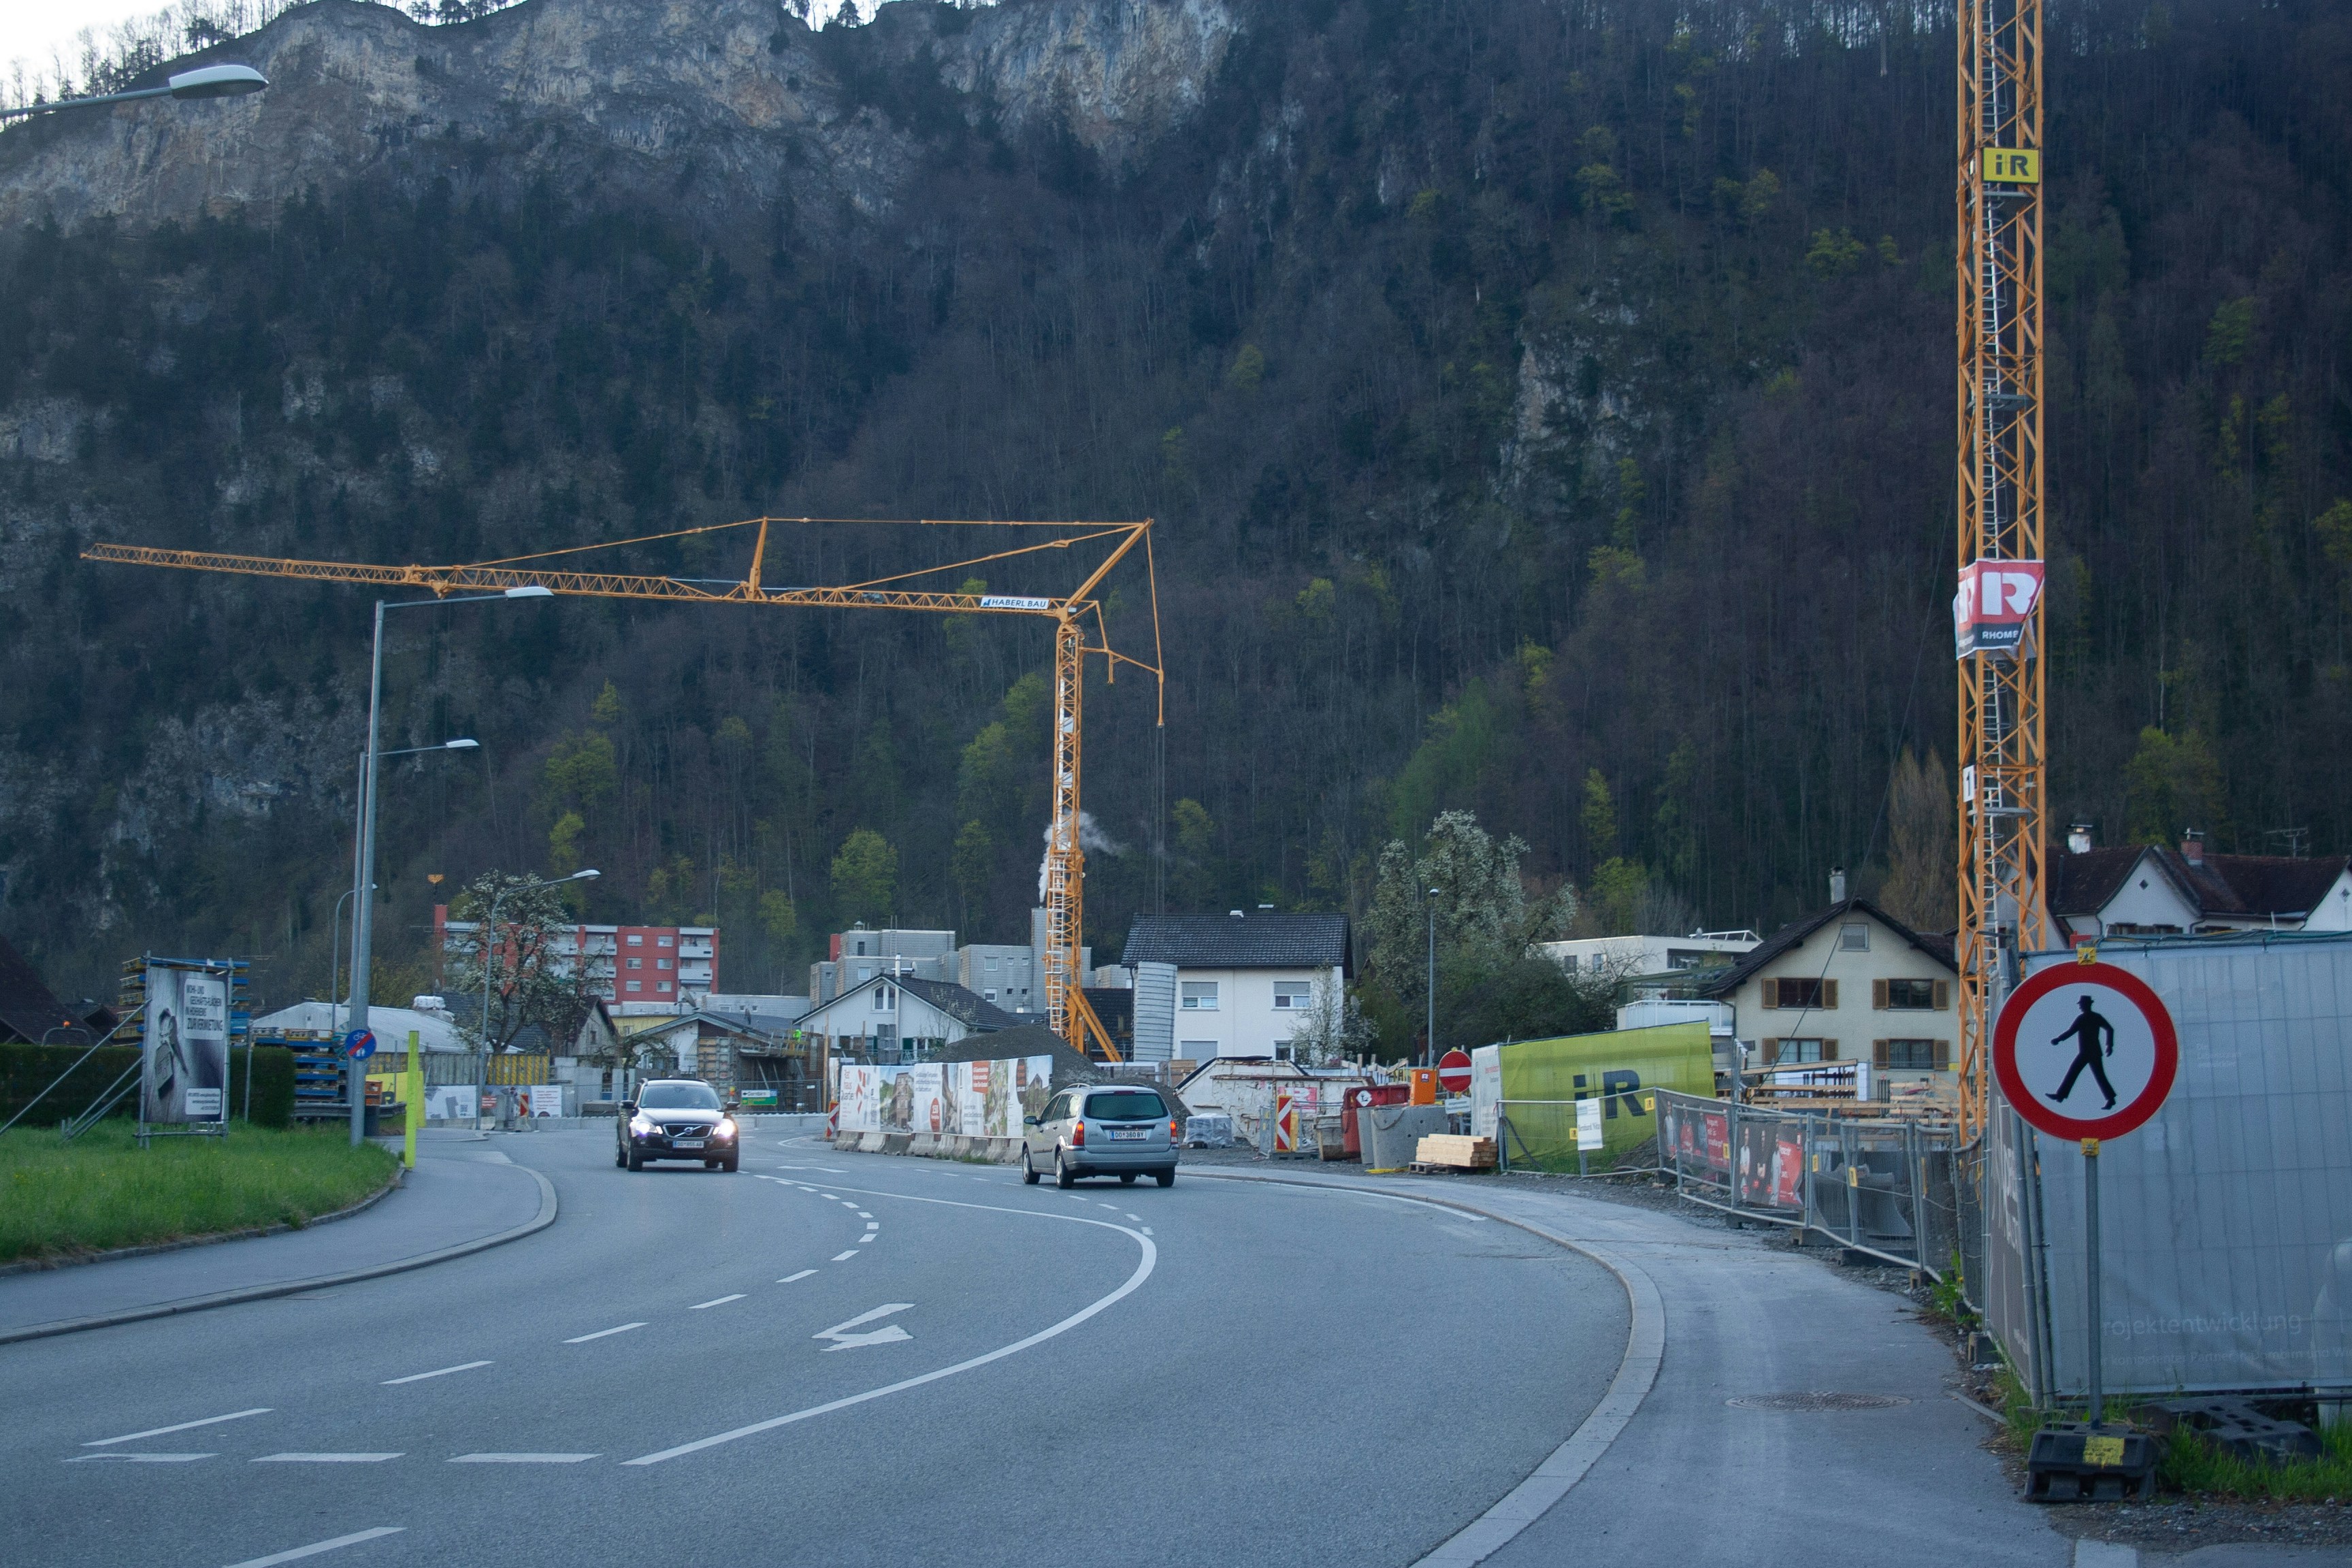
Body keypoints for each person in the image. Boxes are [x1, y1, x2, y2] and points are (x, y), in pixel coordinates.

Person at [2049, 994, 2118, 1109]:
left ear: (2087, 1005)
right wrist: (2109, 1046)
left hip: (2089, 1052)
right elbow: (2109, 1029)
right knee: (2081, 1073)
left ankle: (2061, 1096)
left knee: (2084, 1073)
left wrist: (2058, 1039)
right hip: (2091, 1052)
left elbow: (2071, 1032)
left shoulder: (2085, 1018)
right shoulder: (2094, 1017)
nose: (2080, 1007)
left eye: (2081, 1005)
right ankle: (2060, 1096)